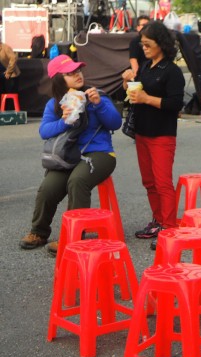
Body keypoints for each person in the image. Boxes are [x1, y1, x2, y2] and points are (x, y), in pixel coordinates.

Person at [19, 55, 121, 253]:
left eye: (78, 71)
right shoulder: (55, 104)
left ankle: (73, 236)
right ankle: (38, 232)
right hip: (68, 156)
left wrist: (98, 104)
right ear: (58, 79)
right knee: (48, 187)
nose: (78, 75)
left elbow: (115, 123)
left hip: (100, 154)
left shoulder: (95, 95)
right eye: (70, 73)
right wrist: (63, 120)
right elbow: (44, 131)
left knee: (77, 180)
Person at [121, 21, 185, 250]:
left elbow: (176, 103)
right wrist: (127, 83)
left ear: (161, 44)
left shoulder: (172, 71)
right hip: (142, 133)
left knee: (162, 182)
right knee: (149, 182)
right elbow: (136, 94)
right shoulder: (147, 66)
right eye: (143, 44)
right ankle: (158, 221)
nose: (144, 48)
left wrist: (147, 99)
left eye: (148, 44)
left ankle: (169, 227)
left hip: (162, 134)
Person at [128, 15, 150, 79]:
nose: (146, 27)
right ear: (138, 28)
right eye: (143, 25)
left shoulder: (155, 40)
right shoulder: (135, 41)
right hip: (142, 74)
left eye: (148, 25)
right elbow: (133, 60)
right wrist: (138, 77)